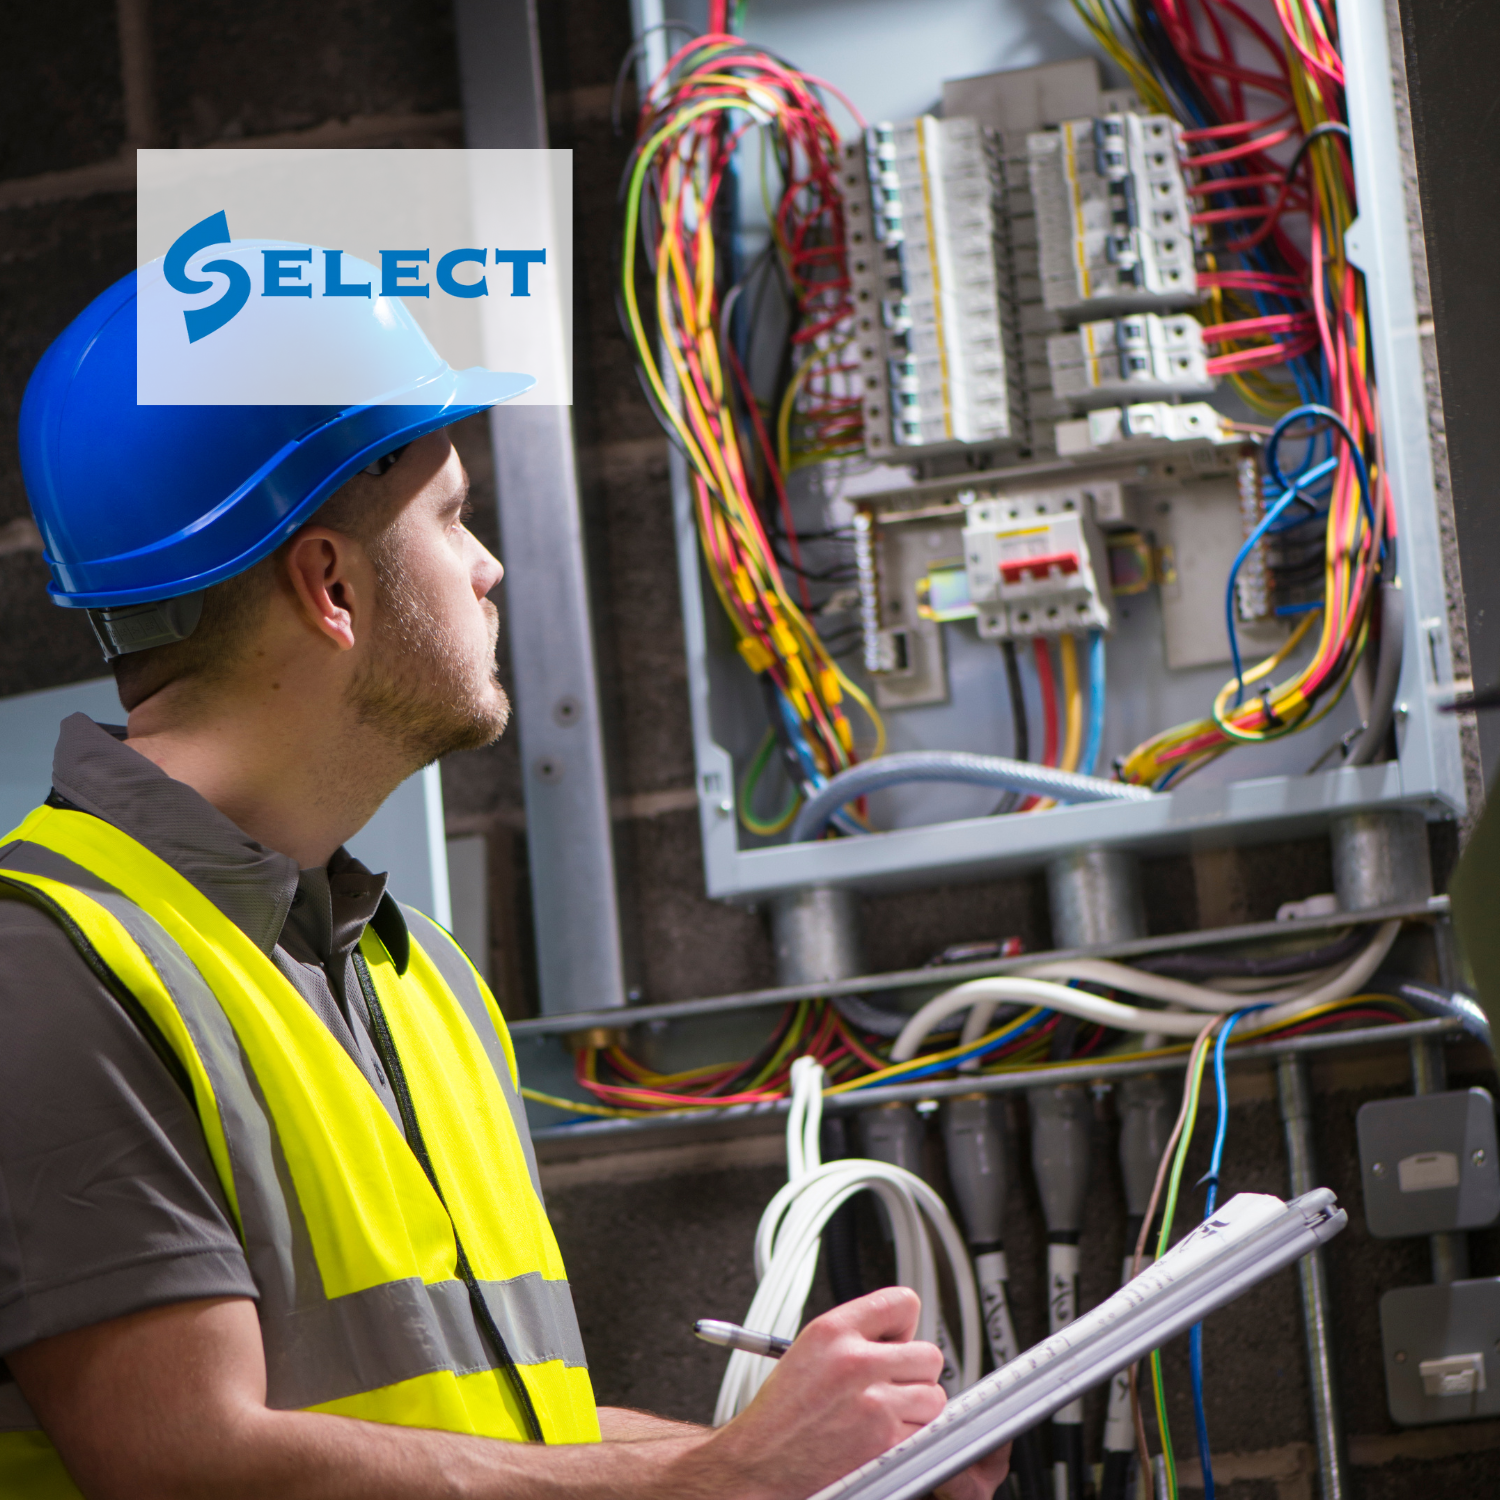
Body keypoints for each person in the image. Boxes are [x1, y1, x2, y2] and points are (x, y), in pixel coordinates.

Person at [0, 246, 1012, 1500]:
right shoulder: (48, 964)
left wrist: (802, 1458)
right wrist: (722, 1483)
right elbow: (188, 1460)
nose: (486, 567)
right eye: (452, 517)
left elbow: (512, 1444)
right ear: (329, 585)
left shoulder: (409, 967)